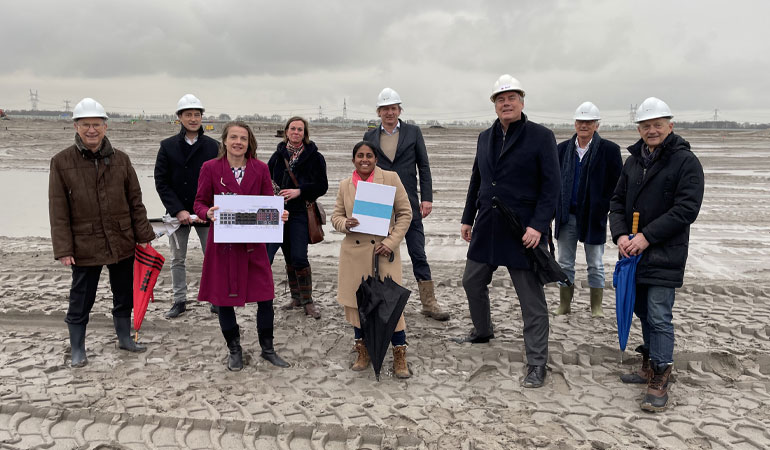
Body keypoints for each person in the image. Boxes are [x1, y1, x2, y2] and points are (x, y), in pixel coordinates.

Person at [456, 75, 560, 389]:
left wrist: (538, 226)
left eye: (511, 98)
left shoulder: (541, 136)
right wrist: (468, 218)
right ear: (495, 105)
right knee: (471, 281)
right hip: (487, 225)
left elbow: (552, 187)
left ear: (521, 102)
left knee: (531, 301)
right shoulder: (484, 137)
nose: (506, 103)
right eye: (500, 99)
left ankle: (537, 363)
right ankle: (482, 330)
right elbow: (477, 179)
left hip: (522, 230)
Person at [610, 97, 704, 412]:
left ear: (670, 126)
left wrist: (647, 237)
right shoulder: (633, 161)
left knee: (659, 313)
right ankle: (649, 363)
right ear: (639, 129)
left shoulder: (685, 161)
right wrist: (620, 235)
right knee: (642, 310)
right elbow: (616, 202)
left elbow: (686, 209)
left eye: (657, 125)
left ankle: (661, 374)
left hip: (665, 253)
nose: (652, 130)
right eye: (646, 126)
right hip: (633, 253)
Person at [49, 97, 155, 368]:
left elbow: (135, 201)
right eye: (85, 125)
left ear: (105, 127)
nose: (91, 130)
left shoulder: (121, 160)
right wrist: (64, 249)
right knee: (81, 298)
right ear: (76, 126)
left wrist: (144, 236)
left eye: (96, 124)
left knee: (124, 293)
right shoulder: (61, 162)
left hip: (122, 239)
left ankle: (124, 338)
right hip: (85, 243)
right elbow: (58, 210)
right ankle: (77, 348)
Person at [194, 121, 290, 371]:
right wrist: (207, 213)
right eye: (233, 137)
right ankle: (234, 350)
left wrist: (278, 214)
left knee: (266, 297)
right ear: (225, 141)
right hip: (223, 247)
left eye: (243, 138)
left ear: (249, 143)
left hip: (253, 245)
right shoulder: (210, 168)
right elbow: (199, 203)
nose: (238, 142)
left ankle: (268, 349)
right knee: (224, 299)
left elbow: (268, 202)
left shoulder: (260, 168)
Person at [363, 88, 449, 321]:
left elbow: (424, 166)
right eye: (385, 109)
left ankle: (429, 303)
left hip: (408, 202)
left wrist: (427, 198)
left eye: (393, 108)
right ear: (379, 112)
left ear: (399, 110)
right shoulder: (369, 136)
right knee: (378, 253)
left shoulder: (413, 132)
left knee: (417, 252)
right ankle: (380, 301)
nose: (389, 113)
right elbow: (365, 169)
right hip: (378, 202)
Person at [331, 141, 413, 379]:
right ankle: (363, 350)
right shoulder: (345, 184)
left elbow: (405, 213)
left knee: (391, 305)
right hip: (354, 254)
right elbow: (336, 216)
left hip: (383, 252)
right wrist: (345, 223)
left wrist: (391, 241)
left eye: (369, 155)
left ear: (376, 159)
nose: (364, 159)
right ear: (353, 159)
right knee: (357, 306)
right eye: (360, 155)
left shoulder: (390, 178)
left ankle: (399, 354)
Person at [554, 102, 622, 317]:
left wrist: (604, 206)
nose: (584, 125)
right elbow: (553, 182)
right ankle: (564, 304)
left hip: (594, 217)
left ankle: (596, 307)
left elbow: (617, 185)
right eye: (580, 121)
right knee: (565, 263)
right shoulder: (562, 149)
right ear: (575, 124)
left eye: (589, 122)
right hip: (567, 216)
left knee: (595, 264)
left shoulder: (609, 150)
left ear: (596, 125)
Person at [155, 94, 219, 319]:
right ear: (180, 117)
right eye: (188, 114)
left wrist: (206, 210)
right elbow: (161, 181)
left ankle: (215, 299)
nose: (193, 119)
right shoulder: (167, 146)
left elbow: (220, 181)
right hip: (177, 213)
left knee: (212, 257)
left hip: (206, 212)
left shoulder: (214, 146)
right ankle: (179, 300)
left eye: (197, 114)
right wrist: (178, 210)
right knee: (177, 258)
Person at [267, 116, 328, 320]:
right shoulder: (277, 156)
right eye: (292, 128)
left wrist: (299, 191)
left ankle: (308, 301)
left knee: (300, 256)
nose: (295, 132)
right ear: (286, 131)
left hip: (301, 211)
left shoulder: (315, 157)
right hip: (278, 213)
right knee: (288, 256)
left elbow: (322, 186)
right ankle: (296, 297)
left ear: (304, 133)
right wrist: (274, 194)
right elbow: (266, 180)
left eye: (300, 129)